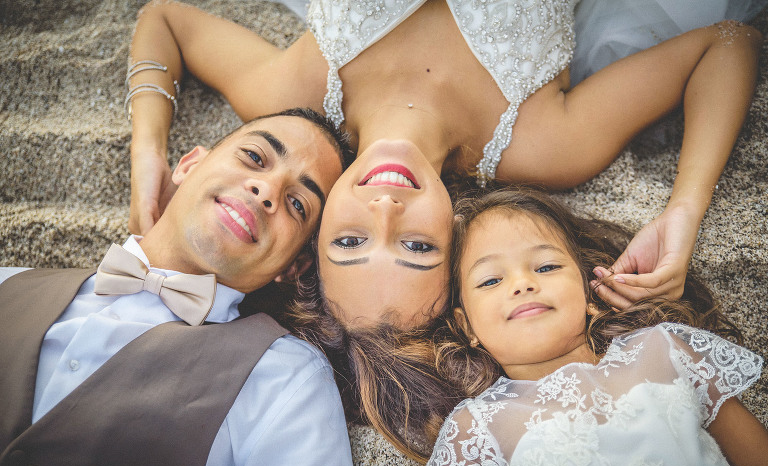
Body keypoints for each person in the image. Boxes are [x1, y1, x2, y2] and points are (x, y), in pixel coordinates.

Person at [127, 0, 763, 330]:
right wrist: (685, 208)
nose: (385, 208)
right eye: (416, 246)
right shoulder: (541, 143)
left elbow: (166, 20)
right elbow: (725, 45)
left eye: (350, 241)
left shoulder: (289, 93)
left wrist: (149, 148)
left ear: (316, 231)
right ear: (454, 230)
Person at [0, 108, 356, 466]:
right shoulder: (6, 282)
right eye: (255, 158)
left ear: (294, 267)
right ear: (190, 163)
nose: (267, 191)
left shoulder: (287, 380)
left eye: (297, 203)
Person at [410, 188, 768, 466]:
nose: (522, 283)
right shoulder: (473, 431)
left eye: (546, 266)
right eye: (491, 280)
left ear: (588, 295)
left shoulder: (664, 350)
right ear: (467, 326)